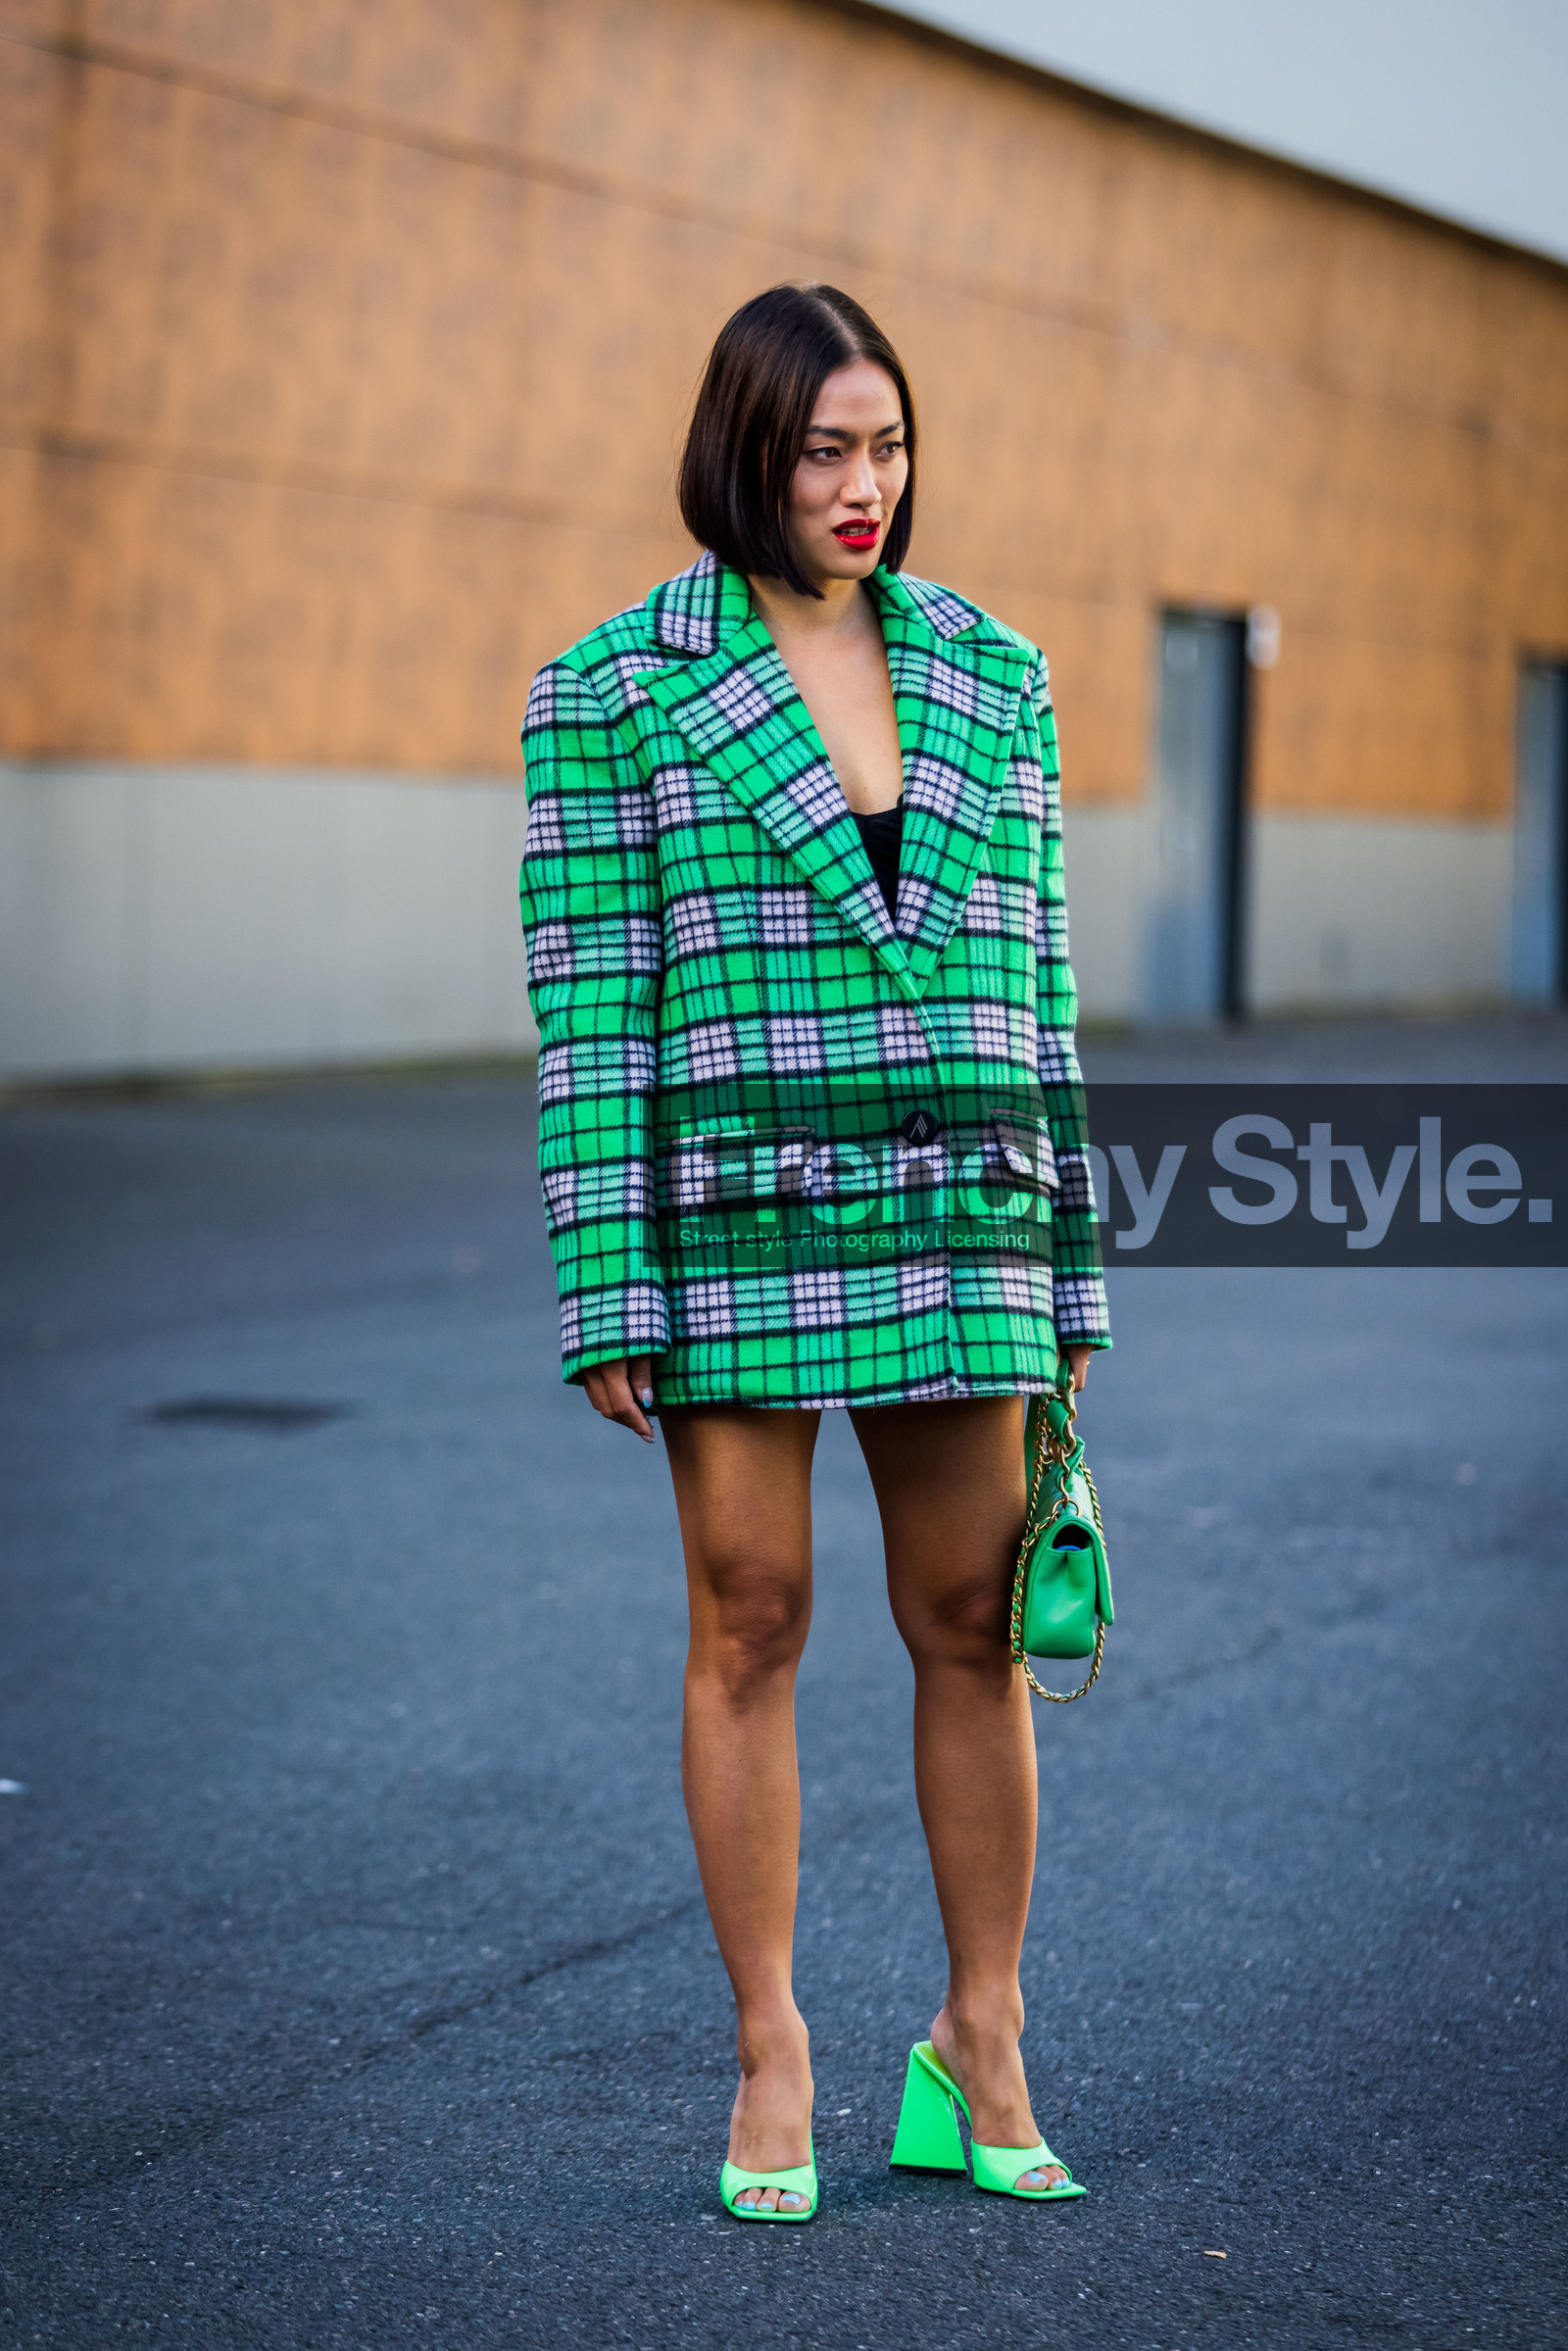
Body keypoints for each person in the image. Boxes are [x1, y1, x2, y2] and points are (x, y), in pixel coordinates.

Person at [519, 283, 1109, 2221]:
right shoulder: (612, 686)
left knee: (971, 1622)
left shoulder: (995, 670)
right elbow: (592, 1007)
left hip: (959, 1213)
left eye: (891, 446)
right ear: (743, 451)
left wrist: (1071, 1264)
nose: (867, 487)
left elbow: (1041, 986)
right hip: (733, 1222)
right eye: (823, 450)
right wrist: (606, 1278)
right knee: (750, 1615)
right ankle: (771, 2049)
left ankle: (981, 2037)